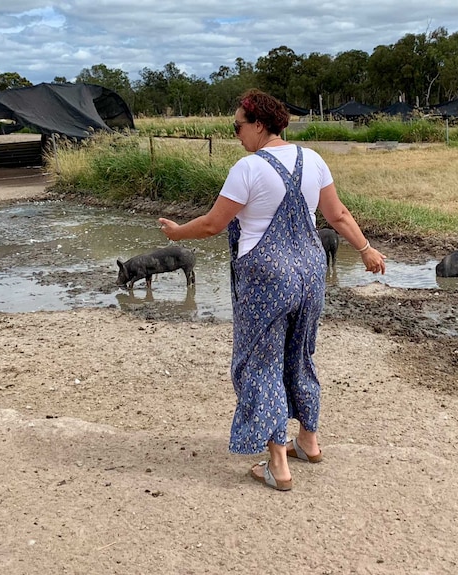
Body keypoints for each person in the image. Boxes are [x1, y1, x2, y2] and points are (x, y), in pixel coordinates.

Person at [158, 89, 386, 491]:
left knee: (260, 363)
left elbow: (213, 224)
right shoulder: (313, 159)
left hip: (267, 279)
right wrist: (366, 249)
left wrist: (177, 232)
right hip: (311, 273)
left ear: (258, 125)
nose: (236, 135)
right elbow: (338, 215)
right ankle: (309, 442)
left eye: (237, 126)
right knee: (300, 354)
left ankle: (278, 463)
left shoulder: (248, 169)